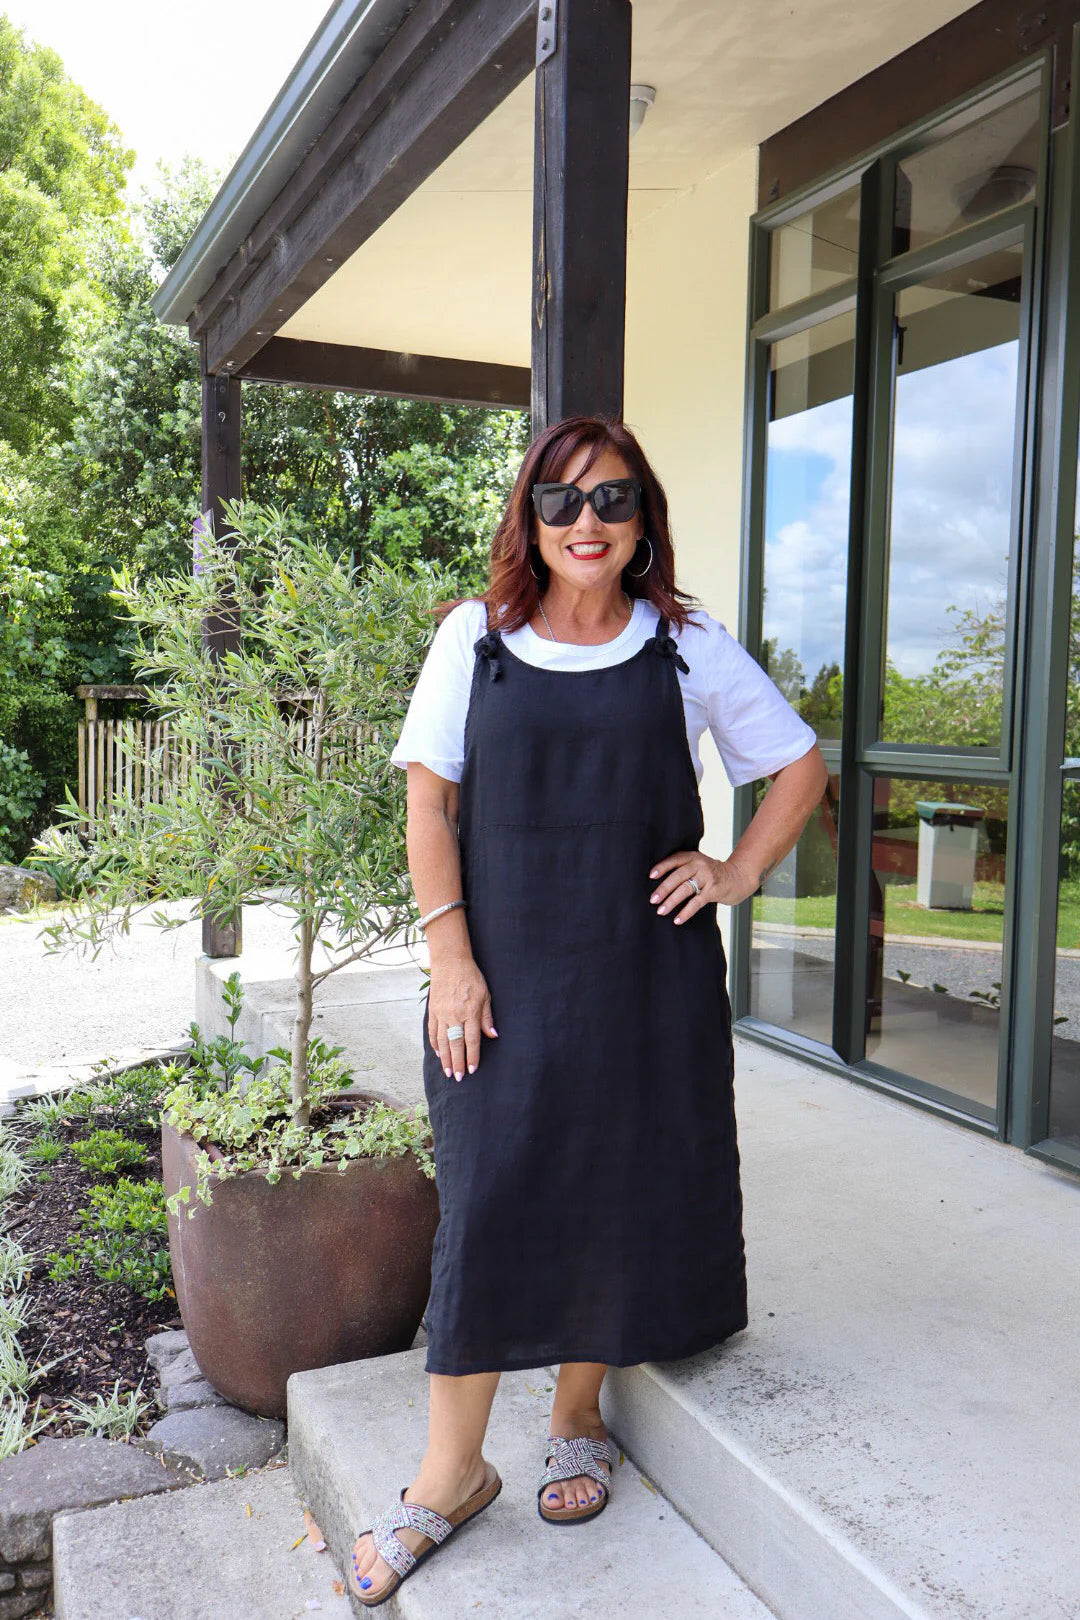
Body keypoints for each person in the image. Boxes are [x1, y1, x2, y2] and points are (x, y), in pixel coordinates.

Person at [347, 414, 828, 1607]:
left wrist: (734, 869)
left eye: (612, 501)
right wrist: (449, 957)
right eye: (560, 502)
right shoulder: (477, 639)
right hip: (499, 976)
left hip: (641, 972)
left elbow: (799, 764)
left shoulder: (685, 644)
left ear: (643, 518)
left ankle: (577, 1415)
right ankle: (448, 1474)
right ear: (529, 517)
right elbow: (426, 809)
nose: (586, 524)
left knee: (613, 1183)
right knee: (492, 1194)